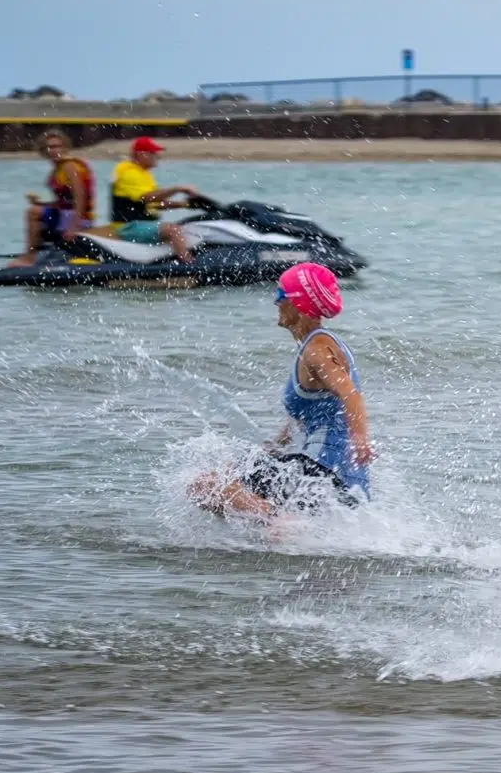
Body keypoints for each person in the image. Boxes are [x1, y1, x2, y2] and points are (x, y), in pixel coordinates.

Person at [191, 263, 374, 521]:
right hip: (339, 477)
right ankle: (280, 527)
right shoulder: (318, 345)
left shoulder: (317, 348)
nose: (275, 302)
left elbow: (351, 394)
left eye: (280, 295)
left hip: (323, 472)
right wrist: (273, 448)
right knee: (229, 475)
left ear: (300, 303)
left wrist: (360, 439)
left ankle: (278, 520)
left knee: (206, 486)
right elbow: (304, 418)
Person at [98, 136, 205, 262]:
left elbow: (156, 204)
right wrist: (178, 189)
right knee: (173, 230)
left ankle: (174, 262)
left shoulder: (143, 173)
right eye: (153, 153)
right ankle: (190, 266)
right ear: (140, 154)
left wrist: (185, 204)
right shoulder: (129, 174)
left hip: (143, 224)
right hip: (128, 227)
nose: (157, 156)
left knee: (188, 228)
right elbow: (148, 198)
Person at [15, 129, 94, 266]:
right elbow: (64, 202)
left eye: (57, 146)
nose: (53, 150)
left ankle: (29, 257)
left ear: (65, 148)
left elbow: (80, 197)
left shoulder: (70, 166)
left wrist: (74, 227)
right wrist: (42, 204)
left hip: (77, 219)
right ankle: (38, 252)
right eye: (49, 147)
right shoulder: (57, 169)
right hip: (64, 214)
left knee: (32, 212)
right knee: (36, 211)